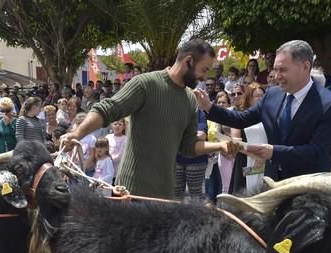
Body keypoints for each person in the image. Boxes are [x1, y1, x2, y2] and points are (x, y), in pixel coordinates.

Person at [61, 38, 238, 199]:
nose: (205, 77)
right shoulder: (146, 84)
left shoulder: (191, 100)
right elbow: (107, 110)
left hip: (165, 197)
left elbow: (188, 146)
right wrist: (76, 134)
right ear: (189, 61)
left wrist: (220, 146)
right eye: (204, 70)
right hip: (130, 194)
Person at [196, 39, 331, 181]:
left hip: (307, 185)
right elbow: (241, 119)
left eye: (283, 70)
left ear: (305, 66)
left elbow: (316, 151)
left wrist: (273, 152)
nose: (277, 77)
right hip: (272, 182)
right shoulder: (272, 95)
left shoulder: (329, 104)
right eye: (275, 69)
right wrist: (209, 107)